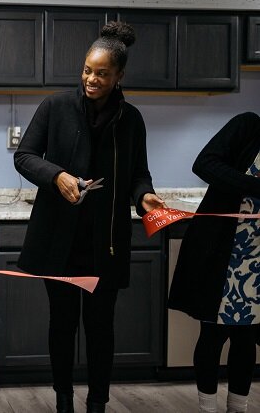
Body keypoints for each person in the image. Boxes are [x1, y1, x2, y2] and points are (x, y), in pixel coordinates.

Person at [14, 22, 164, 413]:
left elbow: (138, 173)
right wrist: (57, 175)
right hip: (59, 240)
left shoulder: (131, 120)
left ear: (119, 77)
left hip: (106, 243)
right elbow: (25, 156)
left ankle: (97, 402)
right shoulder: (55, 107)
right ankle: (64, 399)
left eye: (101, 73)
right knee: (61, 325)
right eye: (87, 70)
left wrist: (144, 195)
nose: (91, 79)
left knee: (101, 330)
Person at [168, 112, 260, 413]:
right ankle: (207, 408)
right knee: (213, 333)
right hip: (223, 249)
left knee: (246, 336)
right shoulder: (248, 125)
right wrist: (254, 185)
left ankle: (238, 408)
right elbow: (205, 163)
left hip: (257, 259)